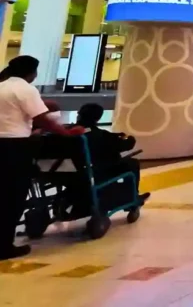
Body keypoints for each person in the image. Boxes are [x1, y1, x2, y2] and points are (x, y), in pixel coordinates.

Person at [0, 56, 83, 260]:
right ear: (31, 72)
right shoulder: (25, 89)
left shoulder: (3, 85)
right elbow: (41, 120)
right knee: (13, 197)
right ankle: (4, 247)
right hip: (15, 148)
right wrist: (68, 133)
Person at [74, 103, 150, 209]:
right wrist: (130, 138)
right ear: (98, 118)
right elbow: (126, 145)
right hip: (96, 171)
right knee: (132, 163)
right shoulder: (100, 135)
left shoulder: (67, 131)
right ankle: (132, 198)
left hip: (69, 172)